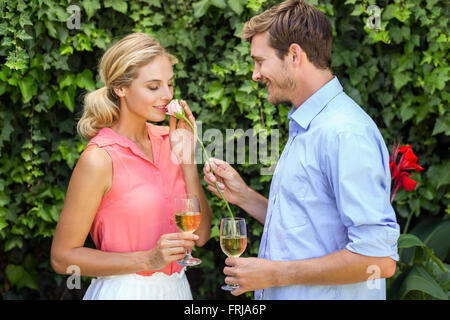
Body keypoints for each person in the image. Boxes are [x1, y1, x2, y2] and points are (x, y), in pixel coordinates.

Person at [203, 0, 400, 300]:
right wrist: (242, 195)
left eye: (260, 61)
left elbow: (378, 259)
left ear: (294, 55)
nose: (255, 74)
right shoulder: (308, 125)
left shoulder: (344, 133)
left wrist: (274, 274)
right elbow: (309, 228)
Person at [50, 33, 212, 300]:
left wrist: (187, 161)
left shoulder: (171, 141)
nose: (167, 95)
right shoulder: (99, 158)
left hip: (178, 290)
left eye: (170, 84)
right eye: (153, 87)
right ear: (120, 88)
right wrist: (148, 260)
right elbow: (62, 258)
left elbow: (202, 235)